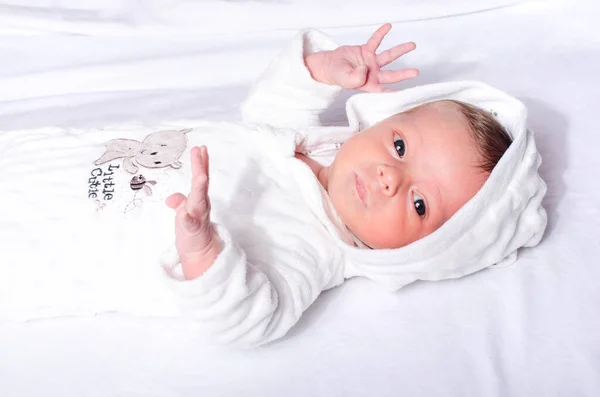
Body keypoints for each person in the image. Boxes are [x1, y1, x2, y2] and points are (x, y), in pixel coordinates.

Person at [160, 24, 547, 347]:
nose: (390, 178)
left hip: (114, 237)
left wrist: (202, 252)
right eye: (399, 147)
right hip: (120, 155)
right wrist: (324, 69)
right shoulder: (311, 140)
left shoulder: (313, 250)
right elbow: (264, 108)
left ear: (421, 252)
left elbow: (247, 319)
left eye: (420, 205)